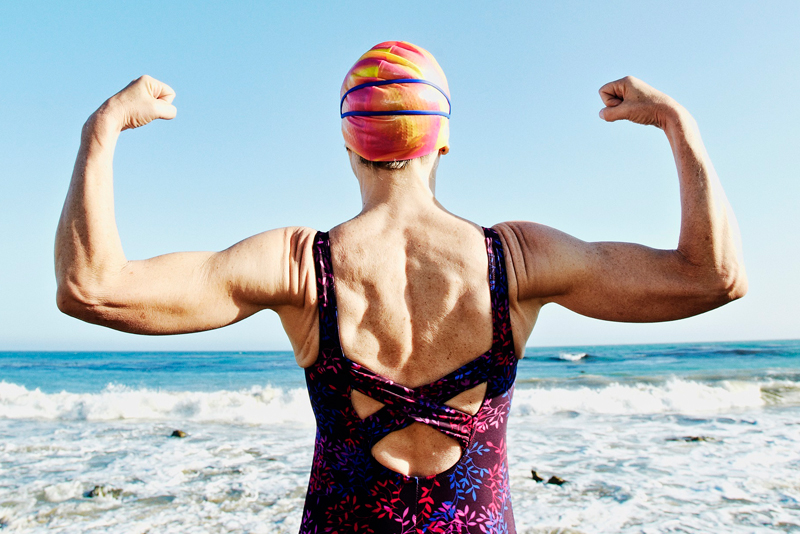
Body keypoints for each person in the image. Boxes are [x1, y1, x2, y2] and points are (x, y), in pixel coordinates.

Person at [55, 41, 747, 533]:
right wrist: (674, 122)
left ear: (351, 145)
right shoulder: (520, 259)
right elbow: (713, 277)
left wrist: (102, 129)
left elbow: (92, 287)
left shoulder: (300, 265)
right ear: (441, 141)